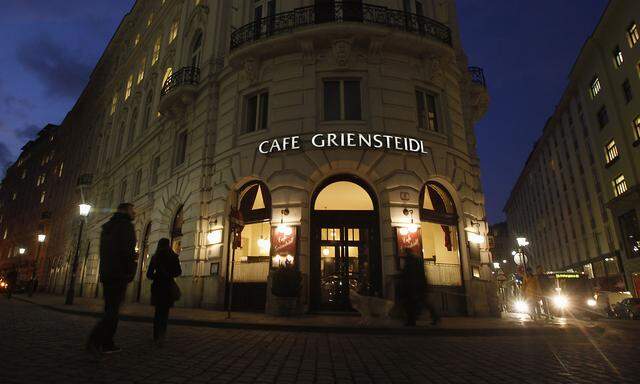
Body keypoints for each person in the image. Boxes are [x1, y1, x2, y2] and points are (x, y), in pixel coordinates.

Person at [87, 203, 137, 354]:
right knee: (112, 311)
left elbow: (106, 252)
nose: (134, 213)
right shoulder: (126, 226)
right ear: (126, 211)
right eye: (132, 210)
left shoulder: (108, 227)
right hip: (119, 274)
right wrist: (130, 270)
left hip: (107, 274)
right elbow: (126, 252)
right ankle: (96, 340)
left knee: (110, 308)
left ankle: (107, 342)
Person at [146, 238, 182, 344]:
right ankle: (162, 335)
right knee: (165, 312)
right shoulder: (174, 257)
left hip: (158, 286)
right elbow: (178, 272)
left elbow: (149, 275)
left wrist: (157, 275)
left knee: (158, 312)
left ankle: (156, 335)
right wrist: (169, 275)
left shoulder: (155, 257)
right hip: (168, 286)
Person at [400, 249, 439, 326]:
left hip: (414, 286)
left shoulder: (411, 261)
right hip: (417, 285)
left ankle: (412, 320)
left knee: (413, 303)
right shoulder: (415, 260)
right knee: (421, 302)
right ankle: (434, 317)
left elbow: (409, 274)